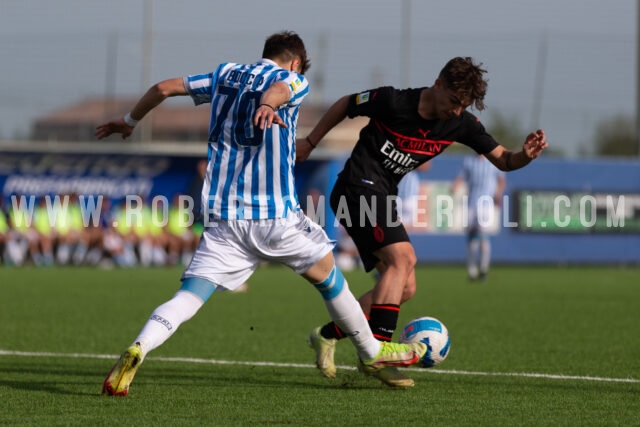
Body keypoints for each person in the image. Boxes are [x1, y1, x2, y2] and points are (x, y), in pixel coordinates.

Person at [94, 31, 426, 396]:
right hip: (274, 216)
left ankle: (139, 346)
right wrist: (268, 105)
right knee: (331, 280)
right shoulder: (293, 80)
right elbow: (281, 90)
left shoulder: (225, 75)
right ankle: (372, 351)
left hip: (223, 219)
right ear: (297, 63)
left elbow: (162, 88)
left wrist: (130, 119)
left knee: (190, 296)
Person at [297, 56, 548, 387]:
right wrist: (311, 142)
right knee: (403, 259)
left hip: (381, 196)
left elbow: (503, 159)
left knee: (406, 285)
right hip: (355, 188)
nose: (457, 110)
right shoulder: (394, 101)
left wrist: (524, 157)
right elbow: (346, 103)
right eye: (454, 101)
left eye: (464, 105)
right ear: (438, 84)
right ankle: (378, 353)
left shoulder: (461, 124)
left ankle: (326, 335)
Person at [452, 154, 506, 282]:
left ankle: (483, 268)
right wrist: (455, 186)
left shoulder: (493, 162)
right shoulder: (468, 161)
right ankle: (472, 270)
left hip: (486, 204)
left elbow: (501, 180)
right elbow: (461, 177)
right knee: (471, 238)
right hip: (471, 203)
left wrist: (498, 194)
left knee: (482, 236)